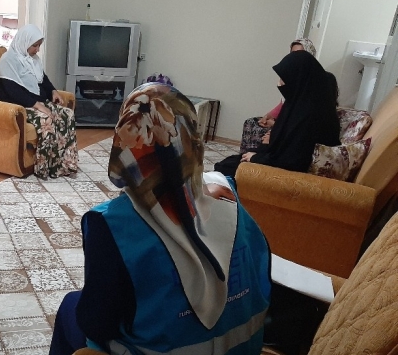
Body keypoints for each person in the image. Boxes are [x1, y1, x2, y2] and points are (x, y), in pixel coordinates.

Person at [49, 83, 272, 355]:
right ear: (193, 138)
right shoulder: (228, 193)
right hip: (245, 348)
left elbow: (96, 325)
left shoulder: (112, 224)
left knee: (70, 307)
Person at [215, 50, 341, 178]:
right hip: (277, 160)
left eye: (284, 79)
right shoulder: (299, 104)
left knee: (226, 168)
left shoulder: (311, 115)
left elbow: (293, 161)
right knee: (228, 163)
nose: (280, 83)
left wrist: (256, 158)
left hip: (286, 174)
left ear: (298, 79)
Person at [0, 24, 78, 178]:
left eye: (39, 45)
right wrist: (37, 105)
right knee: (46, 119)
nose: (37, 50)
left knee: (67, 114)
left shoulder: (32, 60)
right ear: (24, 42)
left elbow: (42, 79)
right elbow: (12, 91)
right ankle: (44, 167)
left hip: (35, 102)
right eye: (35, 45)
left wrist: (53, 91)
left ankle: (63, 164)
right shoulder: (7, 61)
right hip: (16, 106)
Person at [240, 38, 317, 153]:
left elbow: (298, 119)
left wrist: (275, 125)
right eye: (293, 53)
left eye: (299, 53)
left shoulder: (311, 83)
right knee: (251, 122)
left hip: (292, 129)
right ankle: (245, 157)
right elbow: (283, 104)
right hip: (283, 122)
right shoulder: (290, 76)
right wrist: (267, 116)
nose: (295, 57)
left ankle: (257, 157)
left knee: (261, 131)